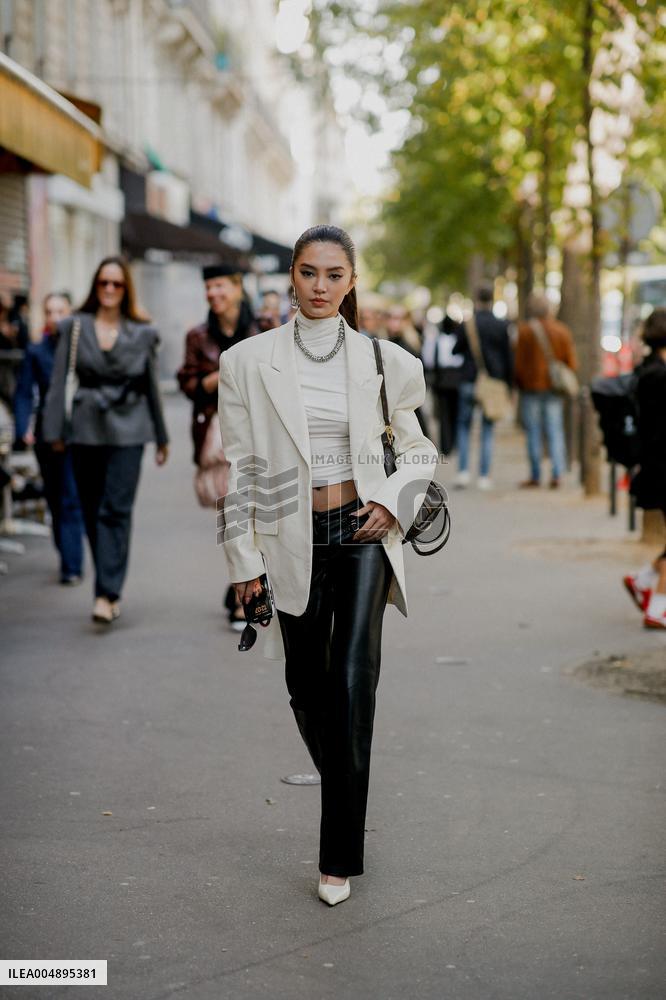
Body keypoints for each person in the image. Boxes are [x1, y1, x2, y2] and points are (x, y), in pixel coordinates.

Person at [217, 224, 438, 907]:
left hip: (366, 529)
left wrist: (396, 504)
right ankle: (347, 781)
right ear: (291, 274)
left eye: (333, 275)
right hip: (289, 533)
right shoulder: (247, 362)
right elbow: (242, 468)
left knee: (350, 683)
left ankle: (338, 856)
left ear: (351, 281)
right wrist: (244, 561)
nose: (320, 286)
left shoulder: (385, 361)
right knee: (305, 686)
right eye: (309, 273)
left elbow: (420, 448)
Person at [42, 256, 169, 624]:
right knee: (92, 510)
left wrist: (161, 437)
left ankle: (106, 592)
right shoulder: (75, 326)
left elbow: (151, 387)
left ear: (126, 288)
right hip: (85, 427)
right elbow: (57, 383)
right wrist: (54, 432)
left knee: (115, 510)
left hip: (130, 427)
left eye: (117, 284)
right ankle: (107, 582)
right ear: (95, 288)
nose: (110, 290)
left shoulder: (143, 331)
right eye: (104, 283)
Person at [177, 263, 258, 631]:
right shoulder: (197, 335)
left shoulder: (265, 329)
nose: (214, 293)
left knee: (261, 515)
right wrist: (216, 378)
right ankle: (243, 597)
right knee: (234, 516)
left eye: (220, 286)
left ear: (238, 287)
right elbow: (188, 382)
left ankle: (250, 585)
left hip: (260, 432)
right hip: (219, 436)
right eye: (209, 288)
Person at [13, 291, 85, 583]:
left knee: (70, 497)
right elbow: (23, 393)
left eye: (61, 311)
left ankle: (72, 566)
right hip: (46, 434)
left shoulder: (80, 350)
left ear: (71, 314)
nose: (55, 317)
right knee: (55, 497)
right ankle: (67, 548)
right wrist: (22, 429)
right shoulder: (36, 351)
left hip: (78, 434)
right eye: (49, 312)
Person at [624, 308, 666, 630]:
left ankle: (644, 578)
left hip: (654, 464)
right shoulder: (659, 376)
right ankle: (658, 608)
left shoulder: (648, 370)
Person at [514, 293, 577, 489]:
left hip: (531, 388)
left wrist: (521, 383)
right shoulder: (562, 331)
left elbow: (518, 364)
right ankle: (557, 473)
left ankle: (535, 474)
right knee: (555, 430)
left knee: (533, 431)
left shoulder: (524, 332)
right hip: (554, 389)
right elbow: (572, 362)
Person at [453, 286, 513, 490]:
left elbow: (455, 349)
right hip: (493, 383)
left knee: (464, 427)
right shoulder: (501, 324)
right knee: (488, 429)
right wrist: (509, 385)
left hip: (469, 380)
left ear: (476, 298)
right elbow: (508, 357)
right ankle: (484, 476)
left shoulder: (468, 324)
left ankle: (463, 472)